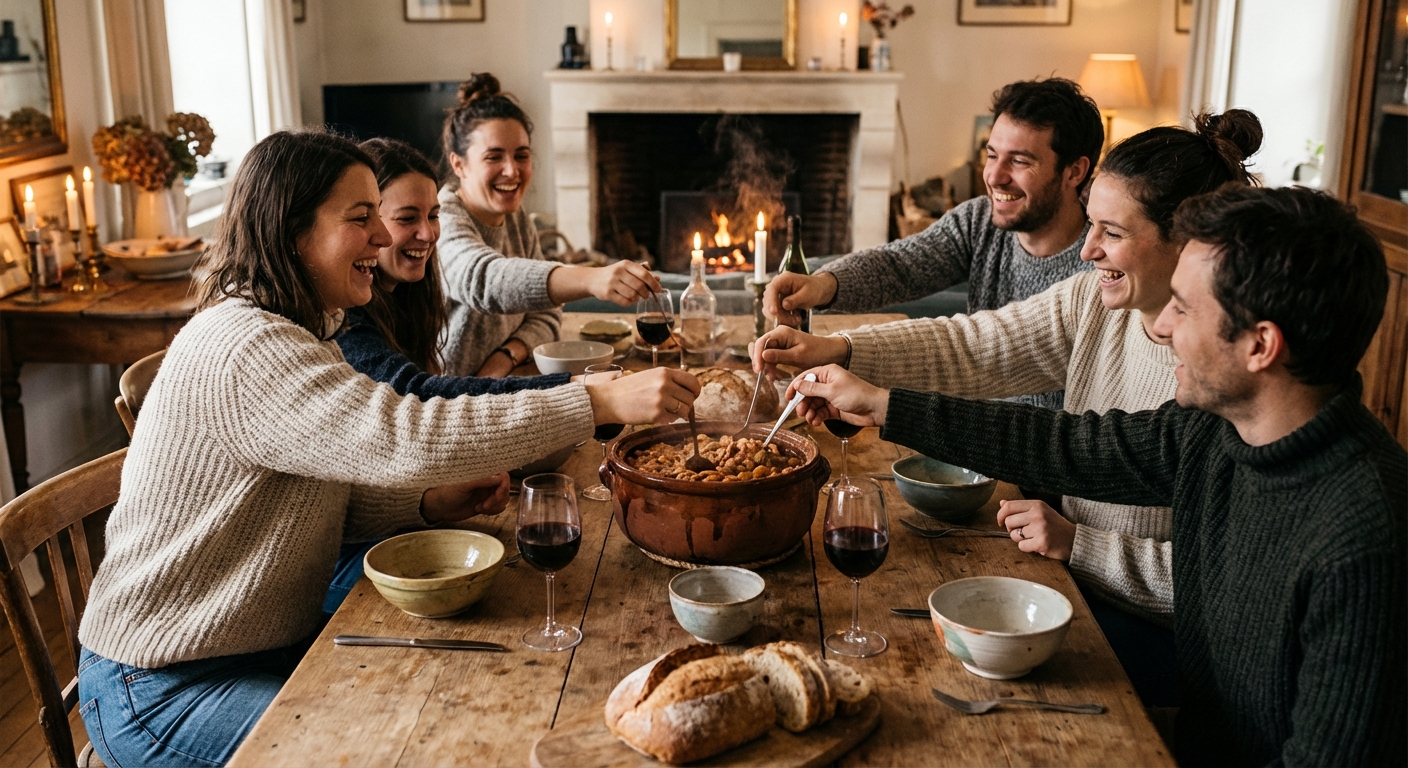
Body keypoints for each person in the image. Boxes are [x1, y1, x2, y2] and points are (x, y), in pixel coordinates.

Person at [73, 130, 700, 767]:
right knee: (389, 751)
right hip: (160, 685)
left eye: (379, 213)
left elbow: (315, 497)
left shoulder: (302, 329)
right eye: (359, 217)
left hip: (257, 650)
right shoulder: (247, 347)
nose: (382, 236)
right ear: (292, 232)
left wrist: (425, 503)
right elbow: (405, 436)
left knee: (448, 710)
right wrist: (592, 400)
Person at [786, 184, 1406, 766]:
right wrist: (885, 405)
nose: (1160, 329)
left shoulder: (1363, 541)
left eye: (1183, 310)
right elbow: (1069, 445)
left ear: (1261, 346)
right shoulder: (1220, 429)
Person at [752, 110, 1264, 707]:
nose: (1087, 250)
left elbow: (1225, 584)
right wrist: (838, 350)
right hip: (1071, 582)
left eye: (1112, 233)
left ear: (1186, 242)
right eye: (1091, 225)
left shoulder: (1221, 374)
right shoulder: (1096, 301)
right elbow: (974, 345)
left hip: (1154, 632)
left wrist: (1084, 547)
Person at [764, 77, 1105, 409]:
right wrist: (823, 284)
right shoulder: (979, 220)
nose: (995, 176)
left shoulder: (1103, 263)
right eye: (991, 155)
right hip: (968, 433)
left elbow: (972, 350)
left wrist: (838, 349)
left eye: (1019, 161)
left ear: (1074, 172)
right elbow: (901, 265)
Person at [438, 73, 662, 377]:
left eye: (522, 155)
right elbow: (484, 280)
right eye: (494, 157)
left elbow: (546, 316)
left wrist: (505, 357)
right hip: (448, 394)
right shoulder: (440, 217)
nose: (511, 170)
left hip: (501, 381)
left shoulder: (516, 219)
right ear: (458, 164)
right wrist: (589, 279)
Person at [337, 137, 570, 399]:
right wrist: (577, 390)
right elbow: (422, 395)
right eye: (407, 218)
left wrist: (505, 358)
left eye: (434, 216)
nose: (428, 234)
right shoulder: (344, 317)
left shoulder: (411, 295)